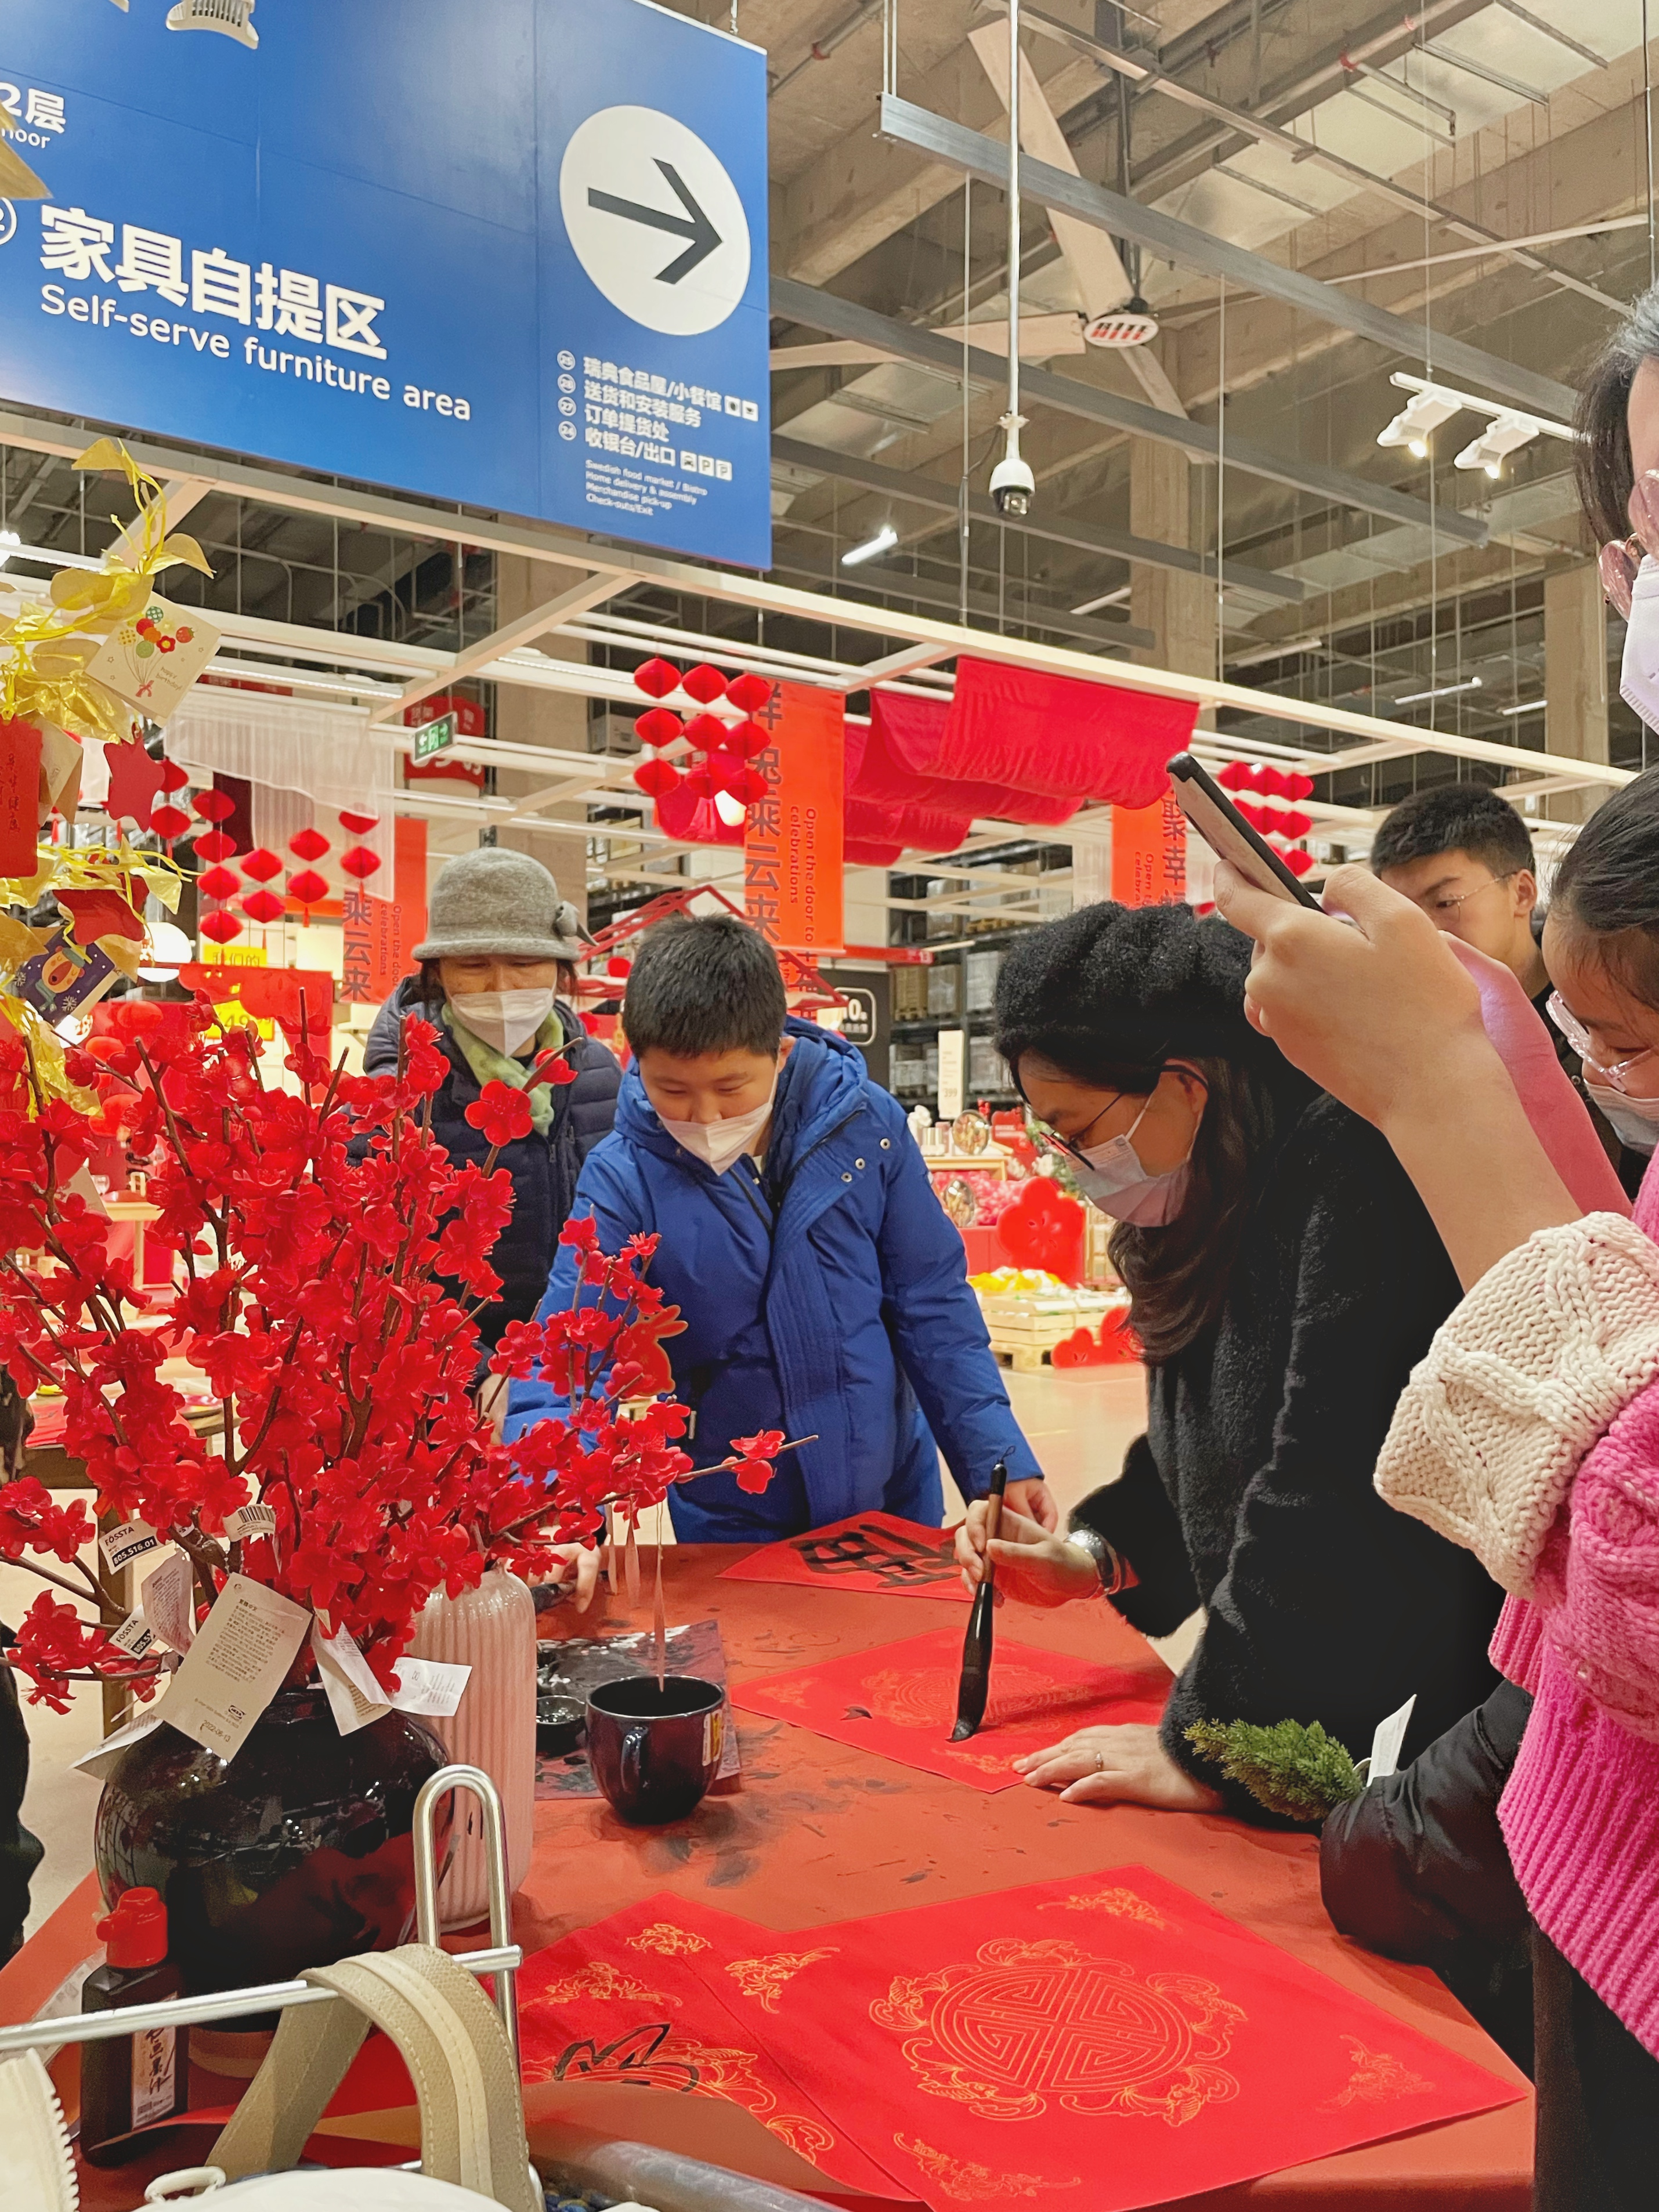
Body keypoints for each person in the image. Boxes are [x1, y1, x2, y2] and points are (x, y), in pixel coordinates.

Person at [953, 900, 1503, 1820]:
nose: (1072, 1162)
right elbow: (1203, 1447)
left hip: (1401, 1717)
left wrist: (1209, 1741)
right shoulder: (1204, 1201)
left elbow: (1322, 1485)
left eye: (1078, 1128)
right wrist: (1087, 1556)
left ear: (1183, 1085)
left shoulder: (1348, 1169)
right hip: (1312, 1687)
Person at [505, 913, 1051, 1541]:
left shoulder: (864, 1127)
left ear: (781, 1052)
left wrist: (996, 1464)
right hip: (731, 1511)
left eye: (731, 1087)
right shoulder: (625, 1174)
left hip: (890, 1499)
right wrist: (554, 1508)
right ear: (637, 1058)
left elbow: (935, 1307)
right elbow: (569, 1356)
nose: (704, 1115)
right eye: (672, 1089)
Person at [364, 848, 620, 1352]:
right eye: (473, 964)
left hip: (579, 1365)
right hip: (451, 1377)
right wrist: (480, 1374)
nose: (501, 986)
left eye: (524, 962)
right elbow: (373, 1264)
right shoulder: (397, 1095)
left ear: (559, 968)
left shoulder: (599, 1074)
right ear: (437, 974)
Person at [1371, 784, 1641, 1190]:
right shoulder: (1406, 1037)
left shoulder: (1604, 1011)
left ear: (1521, 892)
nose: (1420, 931)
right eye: (1401, 912)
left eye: (1444, 902)